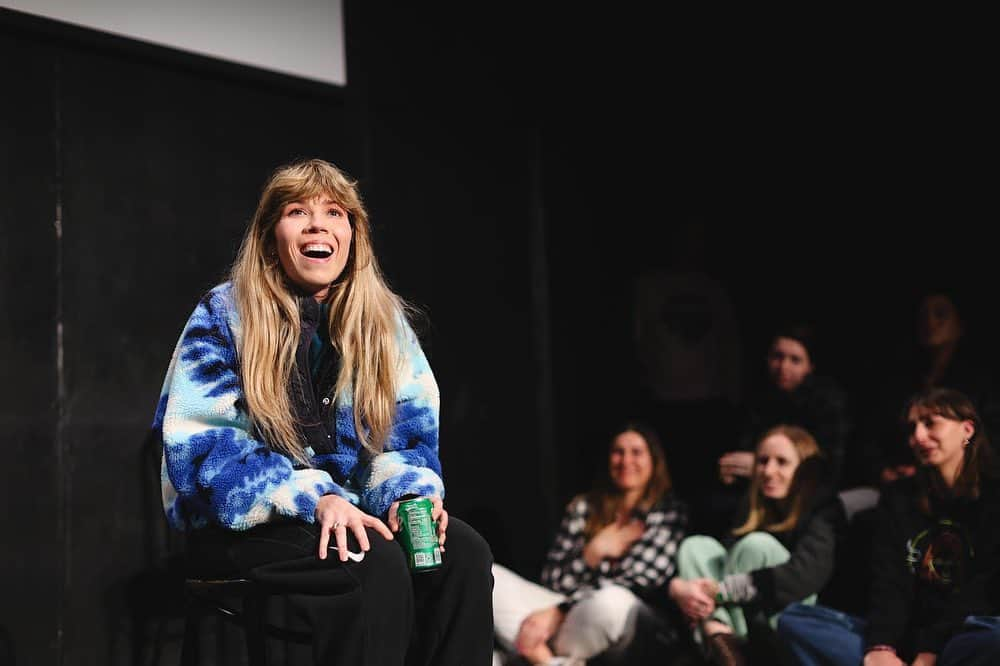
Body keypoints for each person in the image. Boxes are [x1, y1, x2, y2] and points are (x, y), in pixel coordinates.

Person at [152, 158, 494, 665]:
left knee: (462, 554)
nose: (318, 224)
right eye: (298, 211)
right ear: (271, 236)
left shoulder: (383, 323)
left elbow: (407, 439)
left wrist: (404, 496)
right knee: (369, 561)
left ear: (353, 235)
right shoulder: (225, 313)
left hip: (349, 509)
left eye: (335, 213)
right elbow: (202, 448)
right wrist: (315, 499)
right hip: (246, 520)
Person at [777, 387, 1000, 666]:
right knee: (794, 620)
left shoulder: (992, 496)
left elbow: (980, 591)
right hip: (903, 642)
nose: (918, 437)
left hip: (958, 639)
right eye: (912, 428)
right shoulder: (899, 497)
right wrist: (882, 647)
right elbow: (890, 582)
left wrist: (929, 651)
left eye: (931, 423)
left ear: (967, 429)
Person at [491, 422, 688, 665]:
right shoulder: (584, 507)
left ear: (654, 461)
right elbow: (553, 579)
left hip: (629, 625)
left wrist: (560, 611)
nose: (626, 461)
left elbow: (639, 582)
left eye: (636, 452)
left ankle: (535, 656)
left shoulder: (667, 511)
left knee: (612, 602)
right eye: (618, 452)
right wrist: (593, 551)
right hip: (570, 618)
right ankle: (551, 660)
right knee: (488, 577)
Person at [669, 424, 843, 666]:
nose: (768, 471)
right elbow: (724, 559)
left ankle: (725, 638)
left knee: (755, 546)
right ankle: (720, 639)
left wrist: (720, 591)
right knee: (696, 547)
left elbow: (804, 576)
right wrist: (678, 588)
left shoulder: (824, 508)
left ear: (804, 471)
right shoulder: (754, 506)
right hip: (745, 614)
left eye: (781, 462)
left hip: (793, 617)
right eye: (762, 461)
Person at [706, 322, 850, 537]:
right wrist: (731, 471)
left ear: (810, 366)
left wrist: (760, 465)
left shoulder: (828, 403)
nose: (783, 367)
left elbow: (829, 469)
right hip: (761, 493)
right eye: (777, 357)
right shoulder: (758, 400)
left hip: (807, 495)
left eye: (795, 360)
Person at [852, 290, 1000, 489]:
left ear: (961, 324)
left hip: (964, 482)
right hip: (898, 484)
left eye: (940, 314)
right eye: (923, 316)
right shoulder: (899, 378)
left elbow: (989, 438)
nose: (930, 322)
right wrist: (882, 470)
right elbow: (870, 434)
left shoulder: (981, 382)